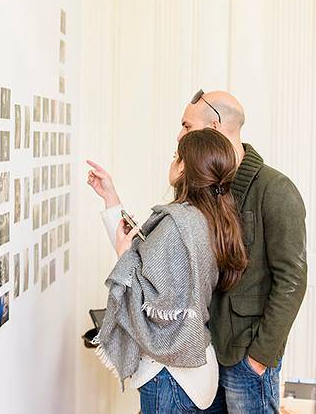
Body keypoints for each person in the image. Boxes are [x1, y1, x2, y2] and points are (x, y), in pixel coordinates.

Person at [88, 90, 307, 413]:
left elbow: (292, 280)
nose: (180, 135)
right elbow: (155, 255)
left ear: (213, 128)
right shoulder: (199, 199)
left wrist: (260, 356)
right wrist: (112, 202)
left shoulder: (274, 189)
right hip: (202, 354)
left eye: (186, 126)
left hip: (244, 356)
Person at [88, 129, 247, 412]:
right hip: (197, 366)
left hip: (169, 376)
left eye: (176, 156)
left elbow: (150, 296)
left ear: (184, 167)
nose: (173, 161)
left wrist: (124, 255)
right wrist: (110, 198)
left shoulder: (176, 225)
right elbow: (147, 260)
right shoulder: (213, 218)